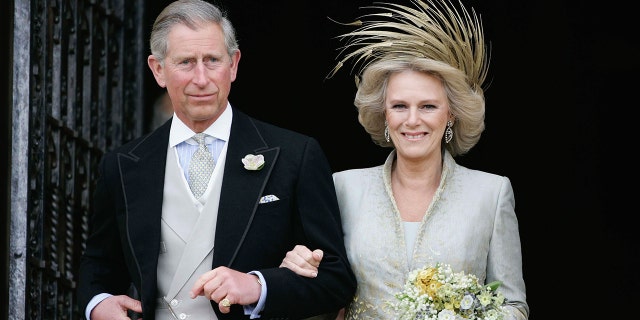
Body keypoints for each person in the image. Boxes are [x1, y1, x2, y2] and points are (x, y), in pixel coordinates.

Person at [76, 0, 356, 319]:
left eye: (212, 60)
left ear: (233, 64)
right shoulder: (123, 165)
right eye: (185, 62)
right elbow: (99, 263)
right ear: (158, 69)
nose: (201, 78)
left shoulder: (295, 155)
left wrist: (259, 286)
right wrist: (97, 304)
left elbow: (336, 281)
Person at [279, 0, 529, 319]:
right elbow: (319, 295)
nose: (412, 121)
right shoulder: (342, 188)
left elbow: (514, 306)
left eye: (428, 106)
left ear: (450, 114)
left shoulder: (491, 194)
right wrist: (296, 271)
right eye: (399, 106)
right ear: (384, 113)